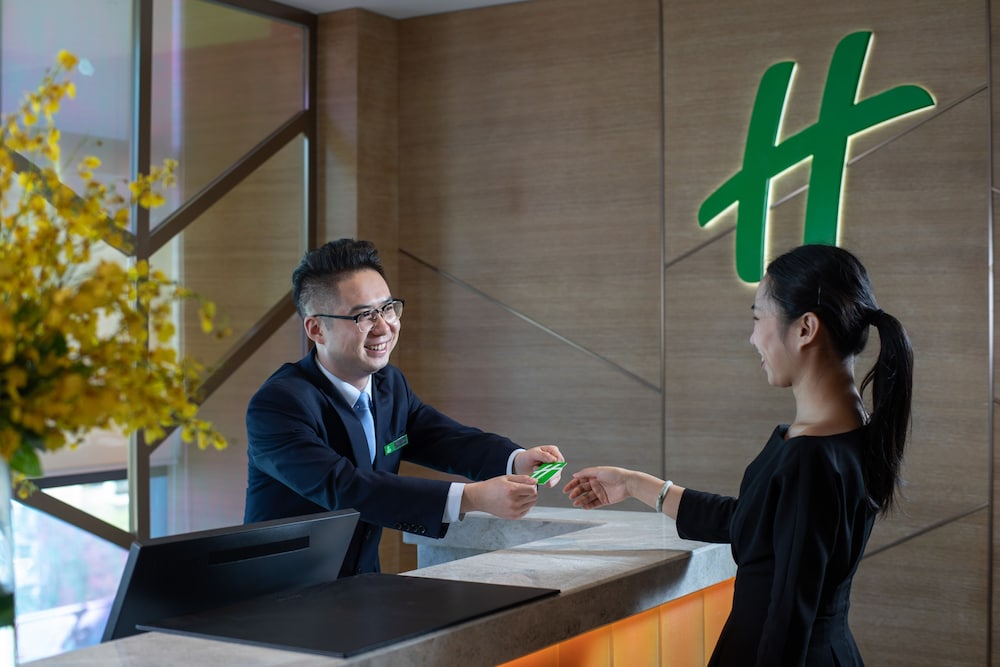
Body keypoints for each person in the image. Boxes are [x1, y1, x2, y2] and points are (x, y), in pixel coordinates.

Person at [564, 244, 912, 666]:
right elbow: (754, 522)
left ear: (805, 328)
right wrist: (635, 484)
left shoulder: (810, 460)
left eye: (758, 318)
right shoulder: (848, 434)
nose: (753, 338)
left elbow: (787, 623)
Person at [245, 239, 563, 577]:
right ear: (316, 329)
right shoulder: (278, 405)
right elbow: (346, 488)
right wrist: (471, 498)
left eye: (387, 308)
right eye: (364, 315)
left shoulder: (389, 383)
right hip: (280, 590)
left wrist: (516, 459)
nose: (384, 326)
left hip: (359, 584)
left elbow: (441, 437)